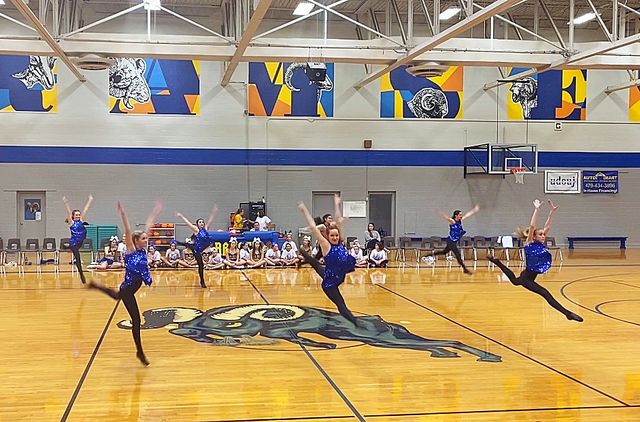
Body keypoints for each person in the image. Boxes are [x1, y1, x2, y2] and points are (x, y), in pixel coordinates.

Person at [88, 201, 163, 366]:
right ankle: (140, 352)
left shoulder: (143, 250)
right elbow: (128, 230)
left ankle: (96, 286)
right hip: (128, 288)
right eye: (143, 239)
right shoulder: (131, 250)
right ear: (136, 241)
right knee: (135, 319)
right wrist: (122, 213)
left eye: (146, 238)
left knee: (117, 298)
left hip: (133, 287)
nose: (146, 240)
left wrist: (155, 212)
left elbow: (149, 225)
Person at [488, 200, 583, 322]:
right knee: (545, 293)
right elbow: (532, 226)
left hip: (528, 275)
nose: (543, 236)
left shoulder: (540, 243)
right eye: (540, 234)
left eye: (544, 234)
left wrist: (551, 213)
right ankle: (567, 314)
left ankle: (497, 262)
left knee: (515, 281)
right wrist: (537, 210)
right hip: (527, 279)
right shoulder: (529, 243)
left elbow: (547, 226)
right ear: (534, 236)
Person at [298, 195, 359, 326]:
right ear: (328, 236)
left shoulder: (340, 242)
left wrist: (336, 204)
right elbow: (313, 227)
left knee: (316, 264)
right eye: (332, 236)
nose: (335, 237)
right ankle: (357, 323)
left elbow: (338, 220)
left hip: (335, 275)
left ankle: (305, 256)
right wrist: (304, 210)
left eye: (336, 235)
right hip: (330, 284)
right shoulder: (326, 245)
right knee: (341, 306)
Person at [176, 206, 218, 288]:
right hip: (197, 249)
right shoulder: (196, 229)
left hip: (202, 247)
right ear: (197, 224)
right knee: (201, 265)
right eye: (200, 222)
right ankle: (202, 281)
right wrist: (181, 216)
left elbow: (210, 220)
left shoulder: (206, 229)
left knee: (190, 244)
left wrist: (214, 212)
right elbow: (187, 223)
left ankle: (182, 243)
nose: (201, 223)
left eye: (202, 222)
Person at [432, 205, 480, 275]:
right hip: (451, 241)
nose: (461, 216)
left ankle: (430, 254)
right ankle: (465, 269)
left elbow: (467, 215)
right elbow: (446, 218)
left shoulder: (460, 221)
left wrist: (474, 210)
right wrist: (440, 213)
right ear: (456, 215)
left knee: (444, 252)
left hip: (453, 241)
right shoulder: (452, 221)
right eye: (460, 215)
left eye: (461, 215)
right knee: (458, 255)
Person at [63, 194, 93, 284]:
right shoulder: (72, 223)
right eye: (76, 215)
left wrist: (90, 200)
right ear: (73, 216)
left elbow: (86, 209)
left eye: (79, 215)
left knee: (77, 257)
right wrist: (66, 203)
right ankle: (81, 275)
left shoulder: (81, 221)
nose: (78, 216)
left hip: (80, 242)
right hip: (74, 243)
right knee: (78, 258)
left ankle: (76, 262)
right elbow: (68, 212)